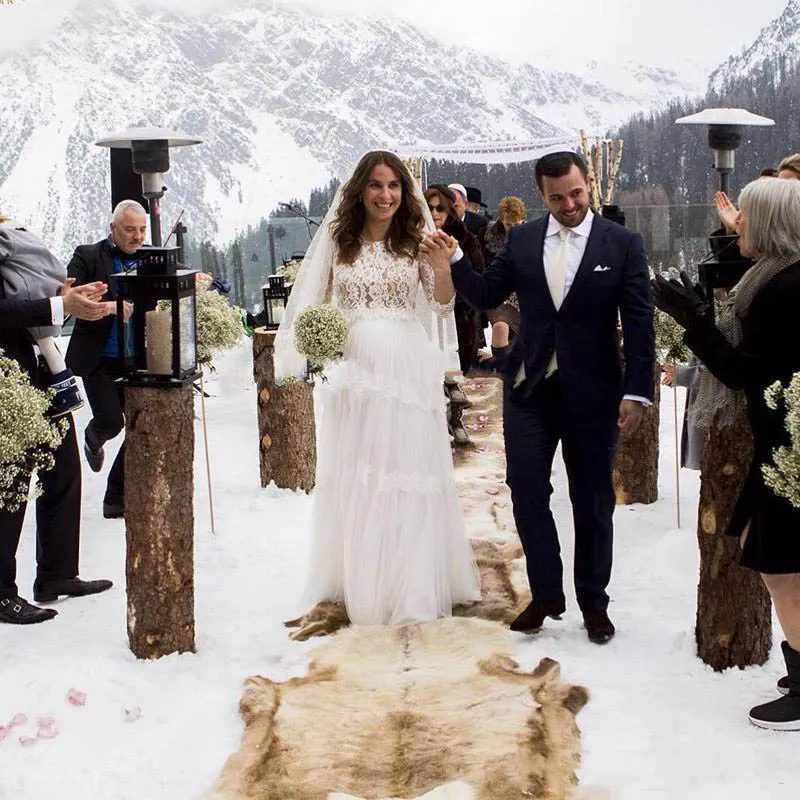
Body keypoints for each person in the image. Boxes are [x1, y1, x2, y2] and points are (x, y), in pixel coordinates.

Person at [424, 151, 654, 644]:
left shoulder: (623, 243)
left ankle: (594, 601)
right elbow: (486, 294)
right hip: (529, 388)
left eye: (575, 193)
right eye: (556, 197)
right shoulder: (523, 239)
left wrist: (636, 389)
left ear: (587, 184)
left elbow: (639, 324)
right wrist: (457, 258)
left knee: (592, 500)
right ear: (541, 195)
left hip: (594, 392)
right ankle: (547, 593)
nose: (569, 204)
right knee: (527, 490)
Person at [275, 151, 480, 626]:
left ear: (403, 192)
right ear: (360, 191)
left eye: (393, 186)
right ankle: (361, 582)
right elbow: (317, 301)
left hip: (406, 367)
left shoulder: (417, 241)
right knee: (360, 473)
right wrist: (315, 342)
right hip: (356, 372)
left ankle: (410, 588)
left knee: (405, 473)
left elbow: (442, 304)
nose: (386, 195)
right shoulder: (339, 240)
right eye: (376, 186)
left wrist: (445, 265)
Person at [652, 176, 800, 731]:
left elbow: (743, 373)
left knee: (783, 571)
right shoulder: (777, 274)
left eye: (747, 217)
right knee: (767, 556)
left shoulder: (786, 289)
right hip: (780, 446)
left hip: (789, 453)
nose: (737, 224)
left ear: (768, 226)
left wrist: (694, 321)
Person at [0, 262, 113, 624]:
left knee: (63, 469)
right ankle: (2, 593)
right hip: (8, 383)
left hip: (41, 374)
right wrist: (59, 305)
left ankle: (57, 573)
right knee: (10, 489)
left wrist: (63, 300)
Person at [66, 200, 144, 520]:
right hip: (97, 358)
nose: (137, 236)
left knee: (141, 430)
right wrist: (111, 305)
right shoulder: (87, 255)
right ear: (113, 229)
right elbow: (71, 296)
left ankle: (115, 498)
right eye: (129, 229)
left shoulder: (149, 257)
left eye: (141, 229)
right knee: (113, 421)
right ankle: (94, 435)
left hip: (137, 361)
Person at [0, 215, 83, 417]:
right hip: (14, 384)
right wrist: (57, 304)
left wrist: (60, 303)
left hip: (37, 378)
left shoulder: (9, 239)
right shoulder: (23, 234)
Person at [479, 196, 526, 371]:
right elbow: (481, 262)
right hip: (498, 292)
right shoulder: (487, 234)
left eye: (516, 225)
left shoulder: (533, 236)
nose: (512, 229)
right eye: (508, 225)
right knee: (500, 326)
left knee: (520, 341)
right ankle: (501, 369)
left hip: (523, 295)